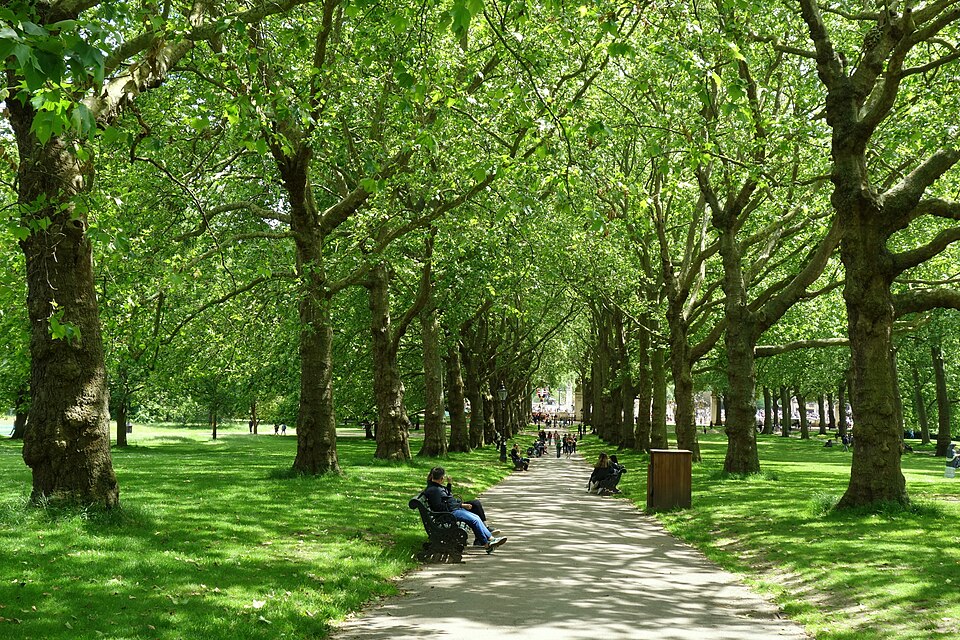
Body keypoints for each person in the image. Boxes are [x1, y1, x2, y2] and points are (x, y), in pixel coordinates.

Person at [422, 467, 506, 553]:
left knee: (476, 517)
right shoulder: (434, 490)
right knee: (474, 520)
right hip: (449, 514)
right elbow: (439, 507)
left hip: (452, 511)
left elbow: (446, 497)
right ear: (442, 478)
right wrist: (459, 505)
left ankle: (491, 539)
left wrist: (450, 488)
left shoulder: (436, 487)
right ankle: (487, 545)